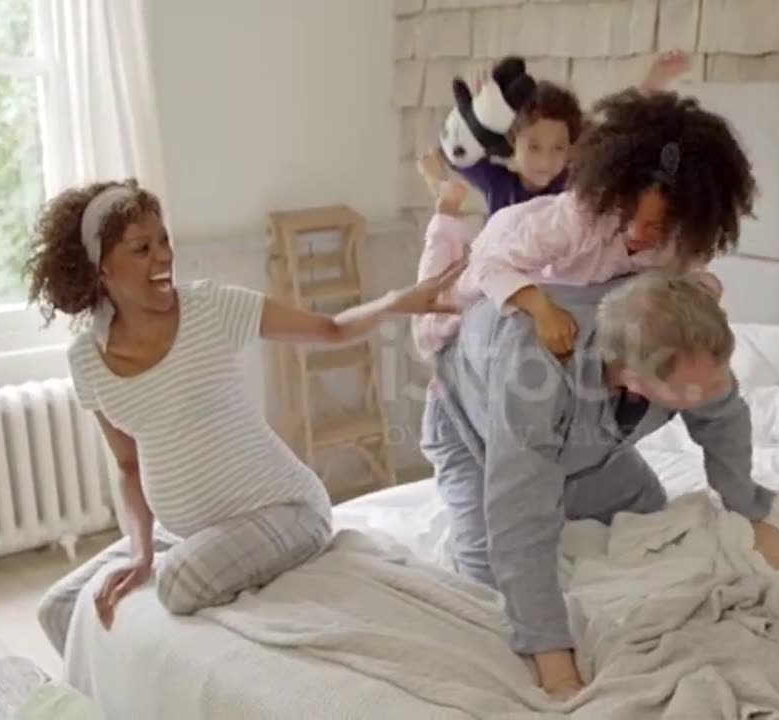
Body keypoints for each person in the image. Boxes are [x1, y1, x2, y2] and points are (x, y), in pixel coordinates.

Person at [25, 178, 463, 654]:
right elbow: (128, 467)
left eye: (164, 241)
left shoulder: (209, 307)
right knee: (59, 605)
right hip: (188, 533)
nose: (164, 257)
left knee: (177, 586)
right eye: (142, 248)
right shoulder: (86, 361)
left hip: (286, 511)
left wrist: (399, 302)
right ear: (100, 269)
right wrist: (140, 550)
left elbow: (331, 329)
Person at [421, 271, 779, 700]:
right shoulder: (534, 373)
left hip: (585, 439)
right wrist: (553, 656)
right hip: (473, 429)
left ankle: (572, 485)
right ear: (633, 379)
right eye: (699, 389)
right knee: (488, 584)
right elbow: (519, 514)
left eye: (719, 376)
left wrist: (748, 513)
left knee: (650, 514)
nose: (717, 391)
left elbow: (724, 420)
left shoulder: (681, 336)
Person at [411, 87, 745, 362]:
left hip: (547, 269)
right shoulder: (577, 219)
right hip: (491, 260)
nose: (638, 234)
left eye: (658, 226)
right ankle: (444, 213)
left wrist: (698, 300)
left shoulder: (676, 243)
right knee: (430, 327)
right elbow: (488, 266)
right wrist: (540, 309)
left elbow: (690, 282)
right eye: (629, 215)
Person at [417, 50, 693, 215]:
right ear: (512, 144)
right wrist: (437, 182)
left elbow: (619, 126)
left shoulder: (570, 182)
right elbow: (448, 152)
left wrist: (654, 81)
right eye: (534, 147)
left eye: (558, 148)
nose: (546, 162)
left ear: (571, 147)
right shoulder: (498, 184)